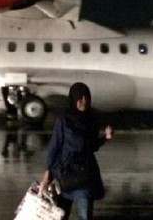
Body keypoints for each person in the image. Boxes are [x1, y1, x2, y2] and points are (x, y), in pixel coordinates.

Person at [38, 82, 113, 220]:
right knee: (60, 215)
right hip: (65, 173)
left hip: (85, 174)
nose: (84, 101)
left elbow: (92, 146)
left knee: (85, 215)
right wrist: (47, 176)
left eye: (86, 98)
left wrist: (105, 138)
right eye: (80, 98)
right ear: (73, 99)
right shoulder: (64, 119)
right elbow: (55, 146)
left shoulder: (93, 118)